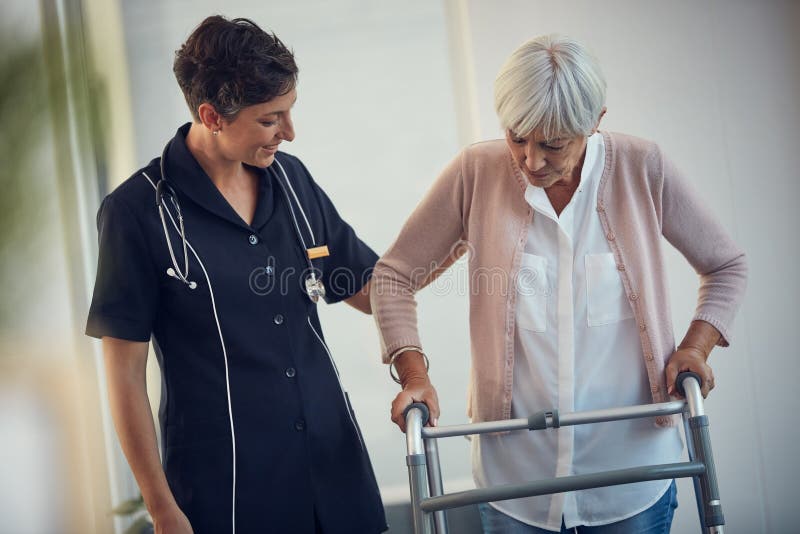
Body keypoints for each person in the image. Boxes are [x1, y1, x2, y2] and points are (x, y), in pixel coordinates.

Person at [370, 34, 747, 533]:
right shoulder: (476, 173)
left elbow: (726, 265)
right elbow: (393, 276)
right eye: (516, 137)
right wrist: (415, 376)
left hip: (632, 473)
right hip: (514, 482)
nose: (530, 160)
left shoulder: (642, 167)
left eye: (552, 144)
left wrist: (696, 349)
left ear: (595, 122)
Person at [85, 16, 386, 534]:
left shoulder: (291, 181)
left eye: (289, 112)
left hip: (333, 476)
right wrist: (161, 508)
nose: (290, 133)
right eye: (271, 119)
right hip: (228, 490)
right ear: (212, 115)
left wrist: (455, 236)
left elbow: (365, 284)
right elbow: (125, 377)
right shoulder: (137, 212)